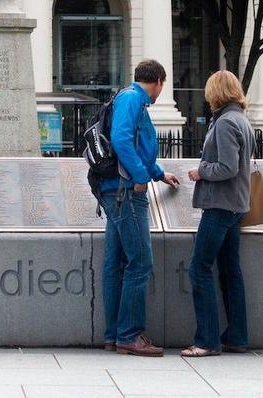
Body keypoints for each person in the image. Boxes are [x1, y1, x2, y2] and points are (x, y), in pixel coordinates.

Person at [100, 58, 180, 356]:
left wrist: (158, 173)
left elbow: (135, 146)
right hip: (126, 192)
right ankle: (129, 334)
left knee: (116, 263)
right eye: (162, 86)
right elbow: (122, 139)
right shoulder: (134, 98)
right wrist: (141, 177)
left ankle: (113, 335)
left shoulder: (127, 98)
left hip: (115, 189)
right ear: (158, 82)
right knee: (141, 263)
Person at [182, 70, 254, 357]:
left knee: (199, 268)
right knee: (229, 271)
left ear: (216, 93)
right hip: (236, 205)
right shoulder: (241, 120)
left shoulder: (225, 123)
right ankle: (236, 336)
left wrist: (200, 171)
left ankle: (207, 340)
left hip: (220, 205)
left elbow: (227, 167)